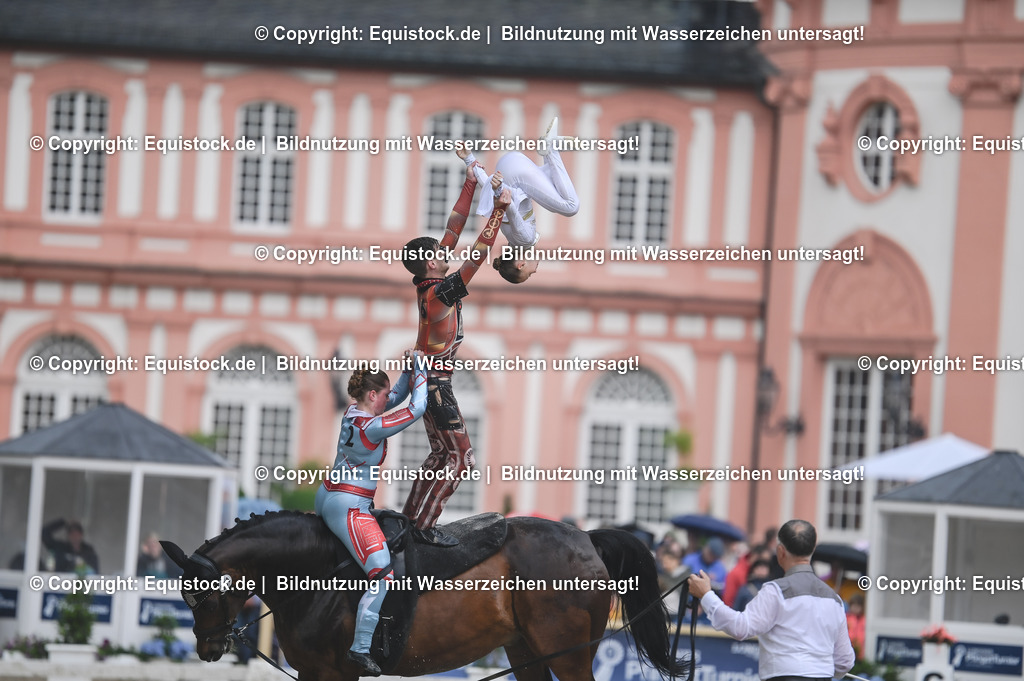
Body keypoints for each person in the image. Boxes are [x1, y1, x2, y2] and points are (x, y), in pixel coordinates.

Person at [400, 167, 510, 543]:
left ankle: (411, 520)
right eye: (438, 252)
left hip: (428, 381)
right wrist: (497, 211)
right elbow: (476, 258)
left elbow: (455, 223)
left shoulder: (430, 284)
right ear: (431, 262)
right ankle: (422, 529)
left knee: (438, 455)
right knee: (461, 459)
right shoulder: (440, 293)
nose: (444, 250)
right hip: (436, 385)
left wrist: (470, 182)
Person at [315, 355, 428, 677]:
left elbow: (395, 397)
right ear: (372, 396)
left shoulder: (354, 413)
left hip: (329, 494)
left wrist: (408, 370)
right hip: (349, 504)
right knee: (381, 575)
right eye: (384, 395)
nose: (388, 400)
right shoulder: (374, 426)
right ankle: (360, 648)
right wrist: (421, 372)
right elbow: (415, 408)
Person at [688, 520, 855, 681]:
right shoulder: (835, 599)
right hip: (822, 676)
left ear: (780, 551)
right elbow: (844, 661)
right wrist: (818, 668)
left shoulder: (775, 591)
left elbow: (741, 627)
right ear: (812, 550)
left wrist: (706, 596)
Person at [462, 117, 580, 284]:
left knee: (571, 207)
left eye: (530, 274)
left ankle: (551, 148)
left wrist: (498, 191)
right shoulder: (510, 236)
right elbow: (489, 187)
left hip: (515, 172)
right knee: (555, 202)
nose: (536, 270)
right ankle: (552, 149)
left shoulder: (525, 239)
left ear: (520, 264)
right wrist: (469, 159)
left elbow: (508, 207)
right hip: (510, 164)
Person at [846, 593, 865, 658]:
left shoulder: (864, 620)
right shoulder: (846, 618)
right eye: (854, 606)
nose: (856, 608)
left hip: (860, 653)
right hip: (848, 650)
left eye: (858, 606)